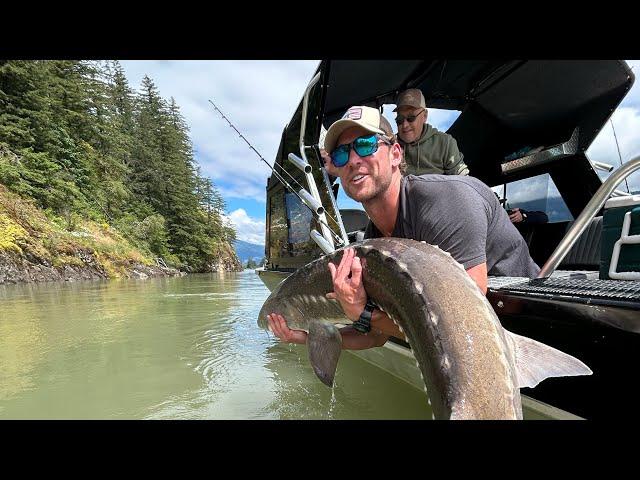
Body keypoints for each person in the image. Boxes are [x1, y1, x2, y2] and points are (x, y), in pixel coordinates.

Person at [268, 105, 540, 349]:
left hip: (526, 319)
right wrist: (303, 336)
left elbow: (461, 321)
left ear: (395, 153)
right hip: (461, 341)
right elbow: (375, 337)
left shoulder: (445, 201)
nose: (353, 160)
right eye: (340, 154)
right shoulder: (376, 242)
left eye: (365, 145)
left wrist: (362, 312)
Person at [394, 88, 469, 176]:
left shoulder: (445, 143)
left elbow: (463, 179)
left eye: (411, 118)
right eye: (400, 119)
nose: (405, 125)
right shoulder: (391, 146)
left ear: (425, 116)